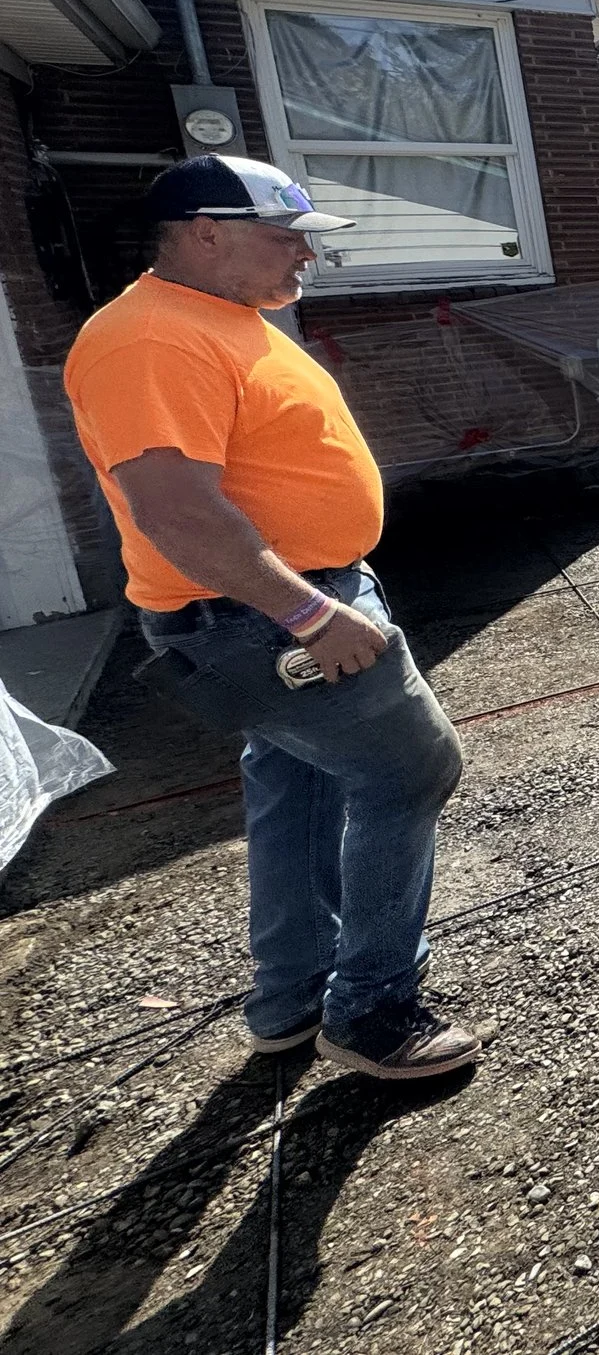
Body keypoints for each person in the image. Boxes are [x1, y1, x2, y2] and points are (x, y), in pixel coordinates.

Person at [64, 155, 477, 1081]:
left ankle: (292, 995)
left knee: (298, 784)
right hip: (262, 616)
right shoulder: (150, 338)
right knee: (413, 768)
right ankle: (372, 1009)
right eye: (285, 236)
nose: (305, 255)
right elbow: (173, 507)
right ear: (203, 231)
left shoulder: (218, 317)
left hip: (273, 607)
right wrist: (307, 611)